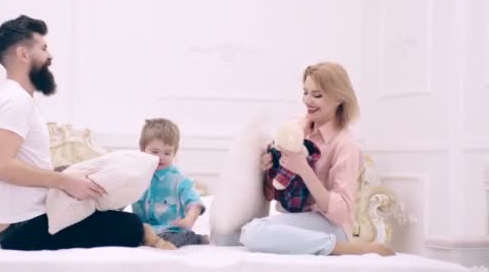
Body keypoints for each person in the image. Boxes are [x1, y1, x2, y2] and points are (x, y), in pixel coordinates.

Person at [0, 15, 172, 251]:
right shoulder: (16, 102)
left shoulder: (9, 97)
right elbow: (0, 167)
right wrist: (64, 181)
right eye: (43, 48)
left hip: (18, 223)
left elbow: (14, 162)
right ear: (23, 54)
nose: (50, 56)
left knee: (107, 203)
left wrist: (67, 177)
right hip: (24, 227)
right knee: (131, 226)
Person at [239, 62, 394, 256]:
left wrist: (304, 170)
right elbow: (277, 189)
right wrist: (268, 167)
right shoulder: (295, 129)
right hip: (297, 218)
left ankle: (344, 248)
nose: (308, 100)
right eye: (305, 92)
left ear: (339, 98)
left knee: (253, 232)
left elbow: (341, 213)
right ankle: (319, 245)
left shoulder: (345, 144)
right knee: (241, 232)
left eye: (317, 95)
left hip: (330, 225)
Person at [132, 118, 209, 247]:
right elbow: (120, 198)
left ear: (174, 153)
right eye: (155, 152)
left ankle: (195, 238)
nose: (161, 157)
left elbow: (195, 203)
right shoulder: (136, 176)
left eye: (167, 153)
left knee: (172, 239)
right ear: (142, 150)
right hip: (143, 231)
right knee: (128, 236)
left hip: (171, 230)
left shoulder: (179, 180)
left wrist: (189, 220)